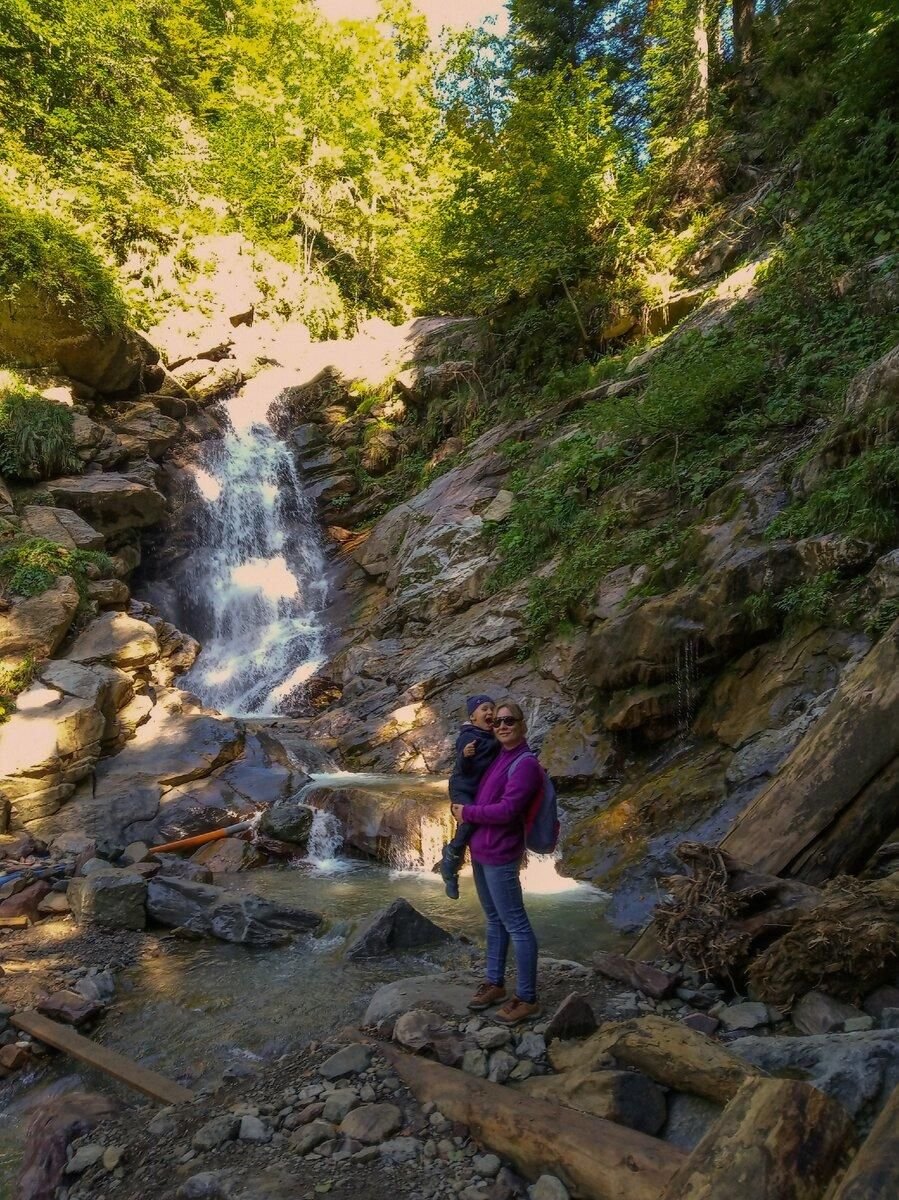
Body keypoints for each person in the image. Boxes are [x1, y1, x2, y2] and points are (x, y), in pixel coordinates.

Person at [451, 699, 542, 1025]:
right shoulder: (498, 755)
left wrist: (467, 813)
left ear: (522, 725)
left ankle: (527, 997)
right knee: (494, 919)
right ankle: (495, 983)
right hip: (481, 850)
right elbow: (466, 777)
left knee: (516, 924)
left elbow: (508, 811)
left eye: (509, 721)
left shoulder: (525, 763)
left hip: (501, 854)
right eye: (498, 721)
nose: (502, 725)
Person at [439, 695, 500, 899]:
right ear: (473, 716)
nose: (489, 712)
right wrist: (464, 755)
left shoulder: (494, 736)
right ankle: (451, 859)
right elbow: (463, 769)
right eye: (484, 709)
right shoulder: (468, 737)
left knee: (479, 820)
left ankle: (455, 863)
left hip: (480, 790)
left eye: (492, 708)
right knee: (469, 820)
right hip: (462, 787)